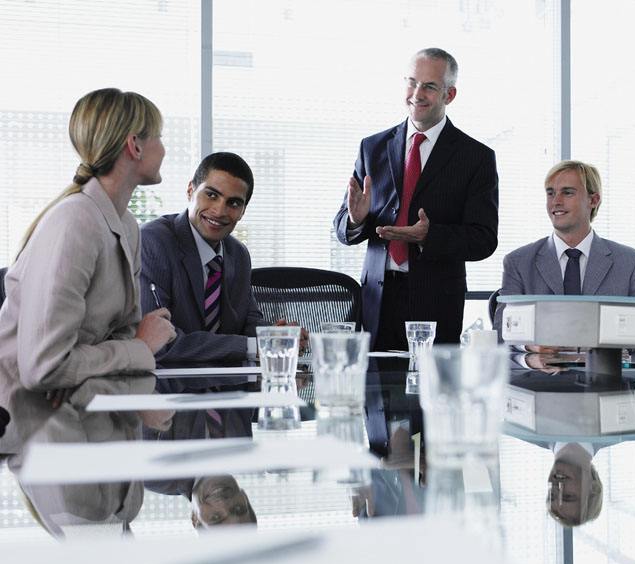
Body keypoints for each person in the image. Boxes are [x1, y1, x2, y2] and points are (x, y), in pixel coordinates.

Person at [0, 88, 175, 404]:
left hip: (84, 405)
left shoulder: (127, 226)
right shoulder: (74, 222)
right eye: (159, 137)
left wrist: (81, 368)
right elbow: (45, 367)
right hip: (30, 417)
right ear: (134, 145)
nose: (164, 149)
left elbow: (121, 332)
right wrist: (139, 348)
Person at [333, 47, 499, 350]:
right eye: (412, 82)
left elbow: (484, 239)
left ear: (450, 95)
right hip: (377, 300)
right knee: (375, 380)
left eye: (430, 86)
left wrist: (428, 236)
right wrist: (356, 219)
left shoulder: (476, 157)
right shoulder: (372, 147)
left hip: (436, 303)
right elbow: (343, 228)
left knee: (430, 382)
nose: (417, 94)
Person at [140, 152, 303, 364]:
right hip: (168, 380)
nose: (219, 211)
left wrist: (277, 337)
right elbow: (159, 343)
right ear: (190, 190)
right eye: (211, 195)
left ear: (243, 211)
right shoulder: (153, 243)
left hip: (227, 380)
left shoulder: (238, 254)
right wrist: (257, 345)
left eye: (233, 203)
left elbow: (248, 322)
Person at [493, 160, 635, 338]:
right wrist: (529, 350)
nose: (556, 201)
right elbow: (501, 333)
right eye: (550, 193)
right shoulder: (518, 262)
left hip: (607, 357)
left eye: (567, 193)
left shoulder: (631, 263)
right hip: (539, 358)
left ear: (593, 200)